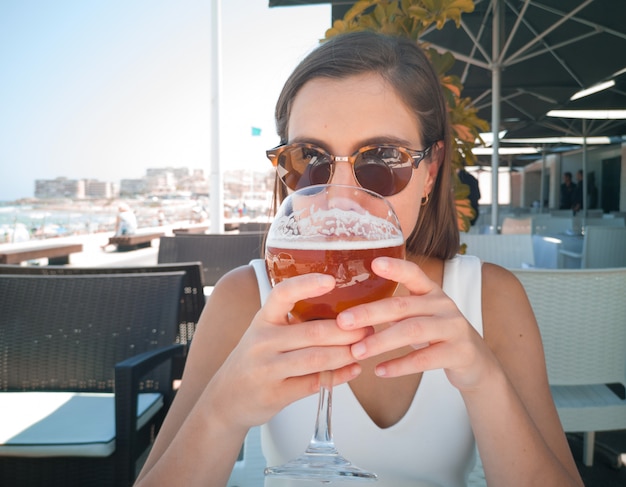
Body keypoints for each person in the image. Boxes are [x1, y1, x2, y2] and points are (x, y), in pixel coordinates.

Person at [135, 32, 583, 487]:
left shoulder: (491, 301)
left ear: (430, 171)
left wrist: (485, 381)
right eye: (311, 157)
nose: (340, 199)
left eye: (383, 158)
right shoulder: (242, 301)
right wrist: (221, 411)